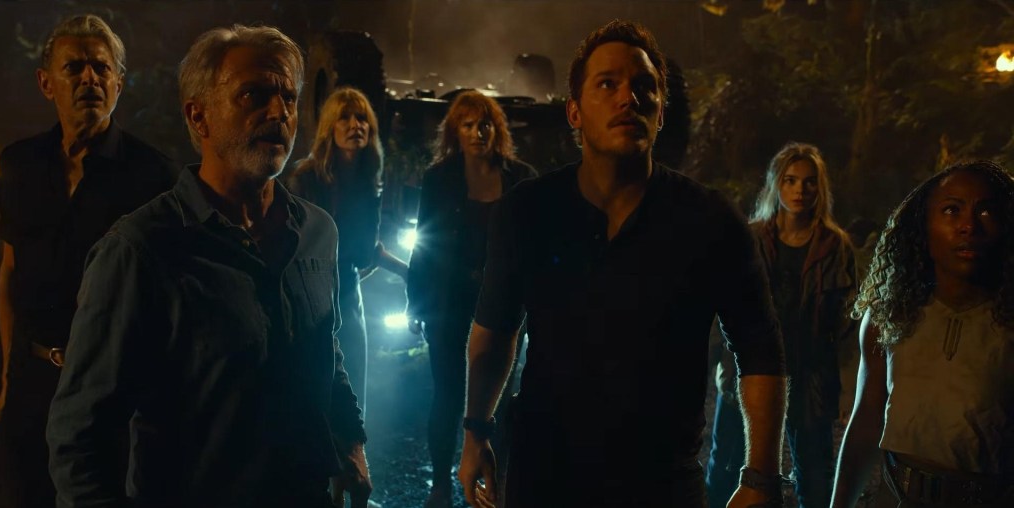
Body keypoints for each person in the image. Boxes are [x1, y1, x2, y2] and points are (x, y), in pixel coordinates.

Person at [457, 20, 788, 508]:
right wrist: (475, 433)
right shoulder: (527, 211)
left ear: (660, 112)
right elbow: (493, 333)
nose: (628, 98)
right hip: (545, 476)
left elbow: (760, 351)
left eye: (644, 86)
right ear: (574, 111)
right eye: (607, 84)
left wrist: (761, 478)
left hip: (662, 484)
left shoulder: (709, 220)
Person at [46, 25, 372, 508]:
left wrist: (350, 439)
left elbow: (324, 343)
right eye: (253, 94)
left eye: (288, 96)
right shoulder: (141, 250)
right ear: (198, 115)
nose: (279, 112)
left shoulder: (318, 233)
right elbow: (80, 439)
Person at [0, 14, 177, 507]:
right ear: (45, 82)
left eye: (101, 67)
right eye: (73, 67)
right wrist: (10, 380)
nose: (89, 78)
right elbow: (10, 273)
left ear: (119, 81)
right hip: (31, 384)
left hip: (112, 394)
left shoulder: (153, 176)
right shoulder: (19, 164)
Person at [831, 161, 1014, 508]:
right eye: (952, 210)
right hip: (898, 496)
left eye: (985, 210)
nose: (968, 225)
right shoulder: (891, 314)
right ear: (924, 225)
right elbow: (866, 420)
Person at [706, 142, 856, 508]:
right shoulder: (750, 238)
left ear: (819, 187)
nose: (799, 190)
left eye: (808, 182)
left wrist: (848, 386)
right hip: (748, 372)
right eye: (790, 180)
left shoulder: (834, 246)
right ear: (776, 184)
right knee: (725, 470)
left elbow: (846, 323)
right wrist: (712, 364)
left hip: (809, 374)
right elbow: (721, 305)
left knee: (815, 479)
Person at [406, 91, 536, 508]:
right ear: (454, 132)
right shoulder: (439, 178)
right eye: (468, 125)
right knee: (447, 395)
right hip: (449, 305)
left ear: (498, 130)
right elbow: (425, 242)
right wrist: (416, 301)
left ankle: (492, 488)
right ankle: (440, 486)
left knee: (496, 398)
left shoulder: (521, 179)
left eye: (485, 124)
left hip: (502, 308)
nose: (478, 132)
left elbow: (535, 247)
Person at [287, 87, 408, 416]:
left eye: (362, 118)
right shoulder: (306, 178)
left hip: (348, 289)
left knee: (353, 394)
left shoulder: (369, 180)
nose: (356, 125)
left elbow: (365, 251)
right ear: (330, 127)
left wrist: (409, 272)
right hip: (309, 293)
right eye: (345, 118)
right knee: (312, 393)